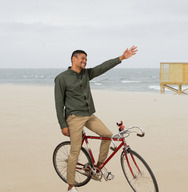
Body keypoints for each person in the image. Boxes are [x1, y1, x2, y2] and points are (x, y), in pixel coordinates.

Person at [54, 46, 138, 192]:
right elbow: (59, 103)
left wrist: (121, 58)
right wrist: (63, 124)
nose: (85, 61)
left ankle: (97, 167)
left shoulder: (86, 74)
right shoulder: (62, 78)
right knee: (75, 151)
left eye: (86, 59)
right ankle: (71, 186)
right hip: (74, 118)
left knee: (107, 135)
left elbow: (103, 67)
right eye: (82, 59)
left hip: (89, 115)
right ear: (74, 59)